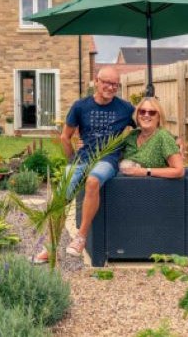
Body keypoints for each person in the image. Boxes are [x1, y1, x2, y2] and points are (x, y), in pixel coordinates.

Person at [33, 66, 134, 264]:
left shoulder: (126, 108)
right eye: (106, 82)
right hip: (82, 158)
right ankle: (50, 247)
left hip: (107, 160)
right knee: (60, 198)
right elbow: (65, 136)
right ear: (96, 81)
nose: (111, 87)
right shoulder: (80, 106)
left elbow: (146, 124)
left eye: (115, 84)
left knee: (93, 180)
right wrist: (72, 160)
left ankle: (80, 237)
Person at [119, 97, 185, 179]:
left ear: (158, 117)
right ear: (137, 115)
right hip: (127, 189)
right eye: (142, 112)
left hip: (154, 189)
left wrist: (145, 171)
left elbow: (179, 171)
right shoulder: (131, 136)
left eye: (152, 112)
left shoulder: (162, 136)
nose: (146, 115)